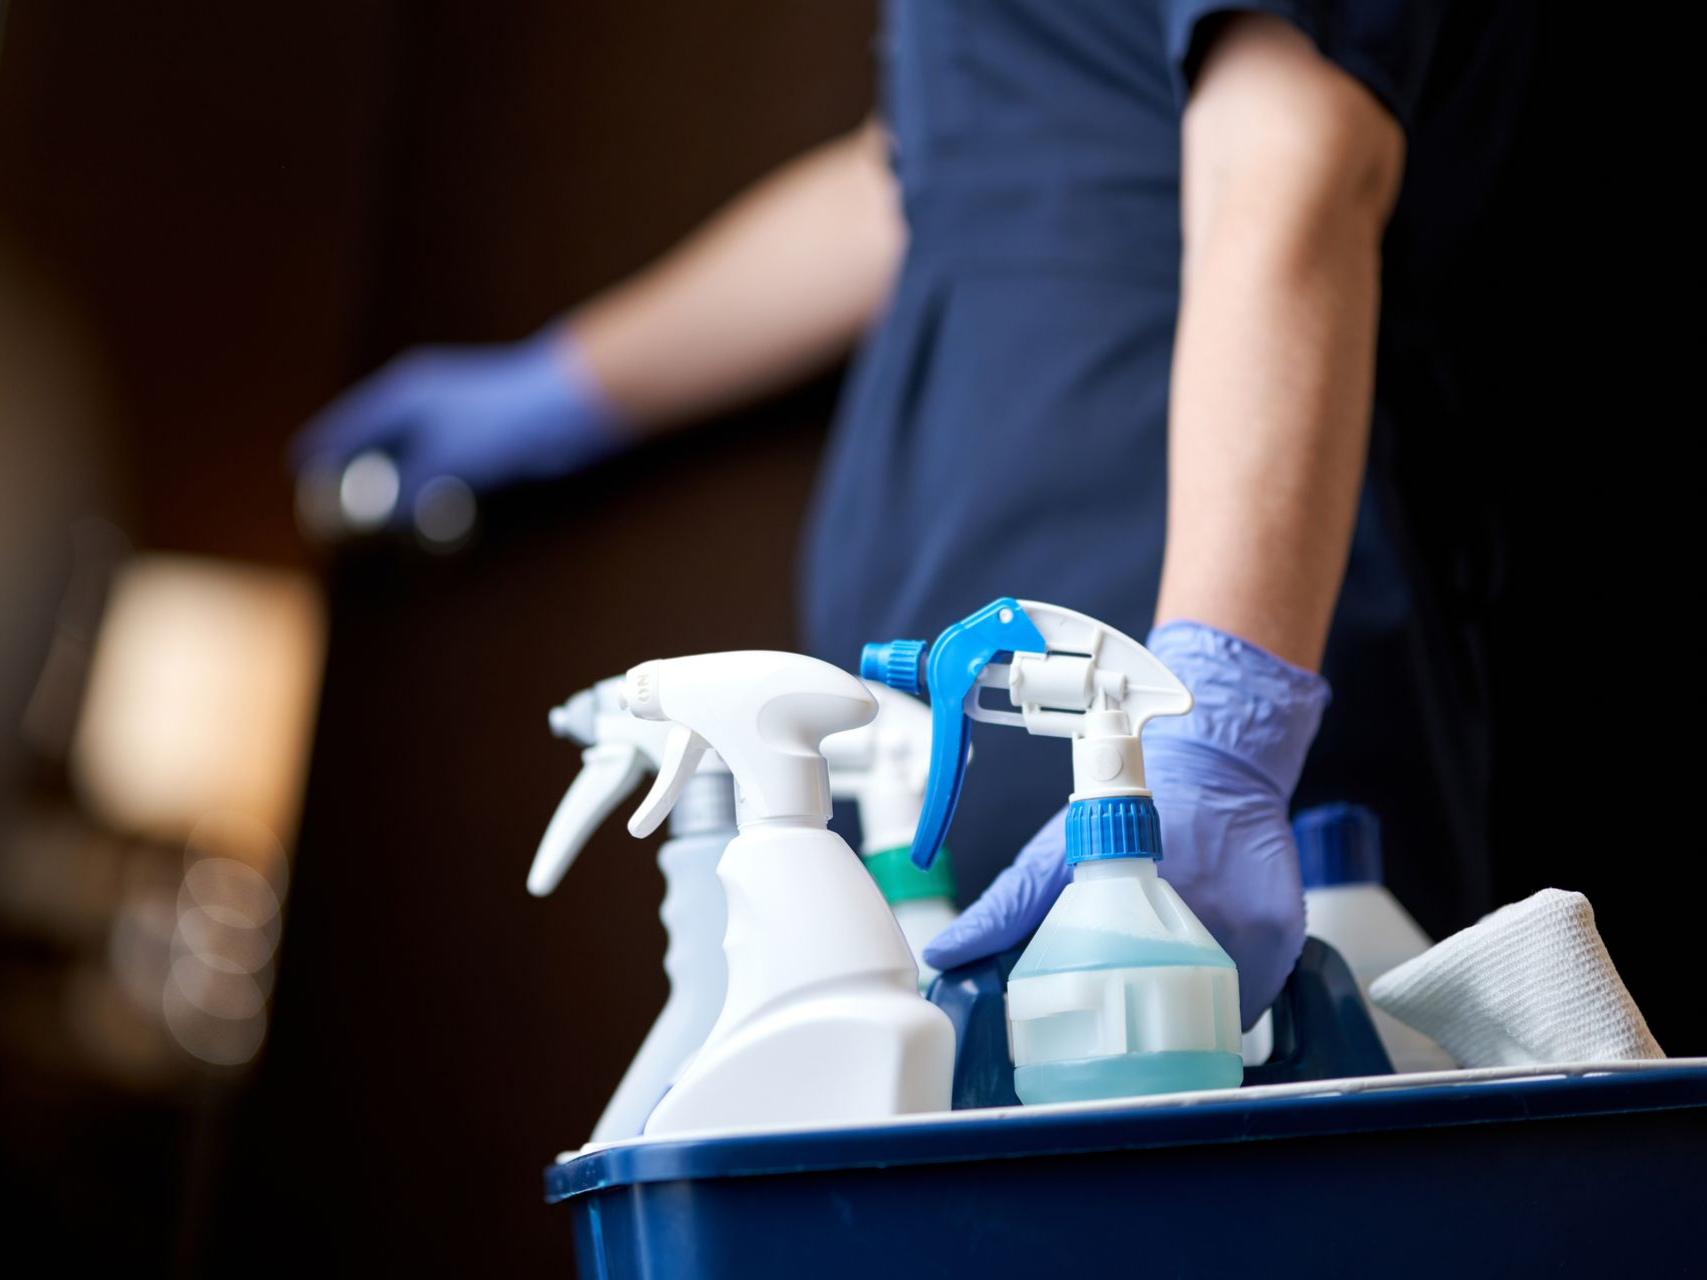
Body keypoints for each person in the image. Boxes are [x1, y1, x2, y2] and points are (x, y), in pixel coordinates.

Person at [295, 3, 1534, 1028]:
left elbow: (1297, 152)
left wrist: (1219, 721)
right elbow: (931, 178)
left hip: (1175, 686)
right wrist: (564, 388)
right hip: (965, 748)